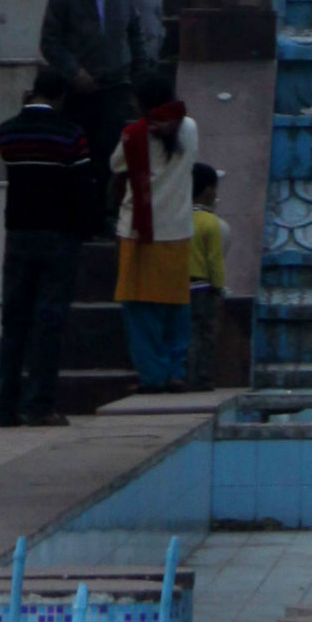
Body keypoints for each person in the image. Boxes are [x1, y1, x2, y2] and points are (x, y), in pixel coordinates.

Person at [0, 64, 98, 427]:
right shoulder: (71, 136)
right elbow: (82, 188)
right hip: (58, 235)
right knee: (48, 322)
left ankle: (5, 404)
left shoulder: (8, 134)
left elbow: (7, 144)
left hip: (18, 234)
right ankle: (39, 404)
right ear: (62, 96)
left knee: (14, 321)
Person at [40, 0, 148, 221]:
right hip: (79, 89)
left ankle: (105, 213)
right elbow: (49, 42)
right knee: (81, 155)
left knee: (110, 154)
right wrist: (74, 71)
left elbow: (135, 35)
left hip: (115, 85)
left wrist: (141, 79)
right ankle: (81, 215)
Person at [114, 73, 200, 392]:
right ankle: (176, 371)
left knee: (139, 307)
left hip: (139, 232)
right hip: (178, 230)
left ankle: (152, 375)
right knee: (176, 304)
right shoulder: (189, 128)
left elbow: (114, 164)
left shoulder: (134, 135)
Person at [189, 162, 230, 393]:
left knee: (187, 333)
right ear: (208, 191)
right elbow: (215, 260)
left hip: (180, 286)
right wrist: (219, 287)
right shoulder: (210, 223)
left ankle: (185, 374)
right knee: (205, 333)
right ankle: (202, 378)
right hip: (203, 287)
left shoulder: (179, 219)